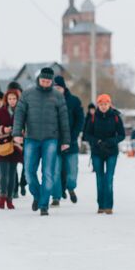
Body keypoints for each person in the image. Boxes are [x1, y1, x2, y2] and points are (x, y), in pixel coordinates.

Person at [13, 67, 71, 216]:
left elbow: (64, 120)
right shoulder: (27, 94)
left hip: (50, 139)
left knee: (48, 173)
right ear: (38, 79)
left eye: (48, 81)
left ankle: (44, 205)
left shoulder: (57, 96)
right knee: (29, 173)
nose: (45, 83)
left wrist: (66, 140)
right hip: (31, 138)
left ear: (51, 81)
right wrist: (17, 133)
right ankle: (38, 196)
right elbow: (19, 115)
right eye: (43, 80)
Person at [84, 94, 125, 214]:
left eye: (105, 104)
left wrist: (111, 141)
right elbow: (87, 134)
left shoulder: (116, 117)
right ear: (98, 105)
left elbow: (121, 134)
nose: (103, 106)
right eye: (101, 104)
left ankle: (108, 206)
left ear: (109, 104)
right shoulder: (92, 117)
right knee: (100, 178)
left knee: (109, 179)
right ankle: (100, 205)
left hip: (111, 151)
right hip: (97, 152)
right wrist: (96, 141)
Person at [51, 75, 85, 206]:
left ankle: (70, 187)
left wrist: (74, 135)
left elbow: (80, 119)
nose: (56, 90)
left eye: (58, 87)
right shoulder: (48, 101)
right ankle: (56, 197)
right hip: (54, 143)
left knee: (72, 171)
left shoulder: (74, 101)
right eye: (54, 87)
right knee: (55, 172)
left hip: (71, 142)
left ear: (64, 88)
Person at [0, 89, 23, 209]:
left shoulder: (21, 111)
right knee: (4, 174)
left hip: (15, 147)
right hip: (2, 147)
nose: (12, 101)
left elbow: (27, 126)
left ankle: (9, 199)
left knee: (13, 174)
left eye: (14, 99)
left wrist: (21, 132)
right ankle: (2, 197)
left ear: (17, 99)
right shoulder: (1, 112)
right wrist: (4, 129)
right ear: (6, 100)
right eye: (10, 99)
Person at [7, 81, 27, 199]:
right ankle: (14, 189)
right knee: (12, 165)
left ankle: (23, 183)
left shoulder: (25, 105)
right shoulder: (6, 107)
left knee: (26, 164)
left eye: (17, 92)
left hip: (24, 139)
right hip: (10, 141)